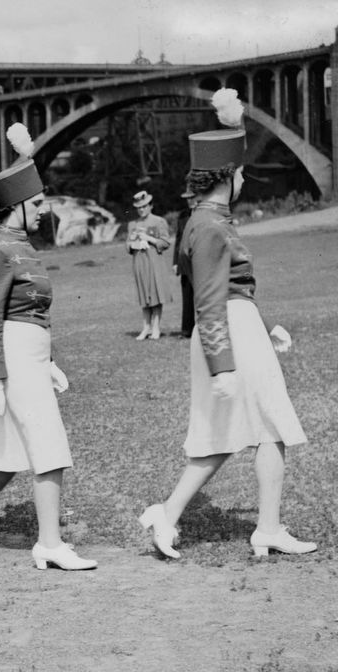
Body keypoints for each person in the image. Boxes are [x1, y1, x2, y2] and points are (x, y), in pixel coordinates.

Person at [139, 89, 313, 559]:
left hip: (237, 328)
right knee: (271, 426)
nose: (242, 181)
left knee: (228, 437)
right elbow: (213, 301)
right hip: (229, 331)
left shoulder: (200, 220)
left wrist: (263, 324)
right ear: (228, 177)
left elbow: (221, 291)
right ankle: (268, 528)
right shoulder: (213, 226)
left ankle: (170, 514)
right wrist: (224, 364)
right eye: (239, 173)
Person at [0, 124, 96, 570]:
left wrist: (48, 361)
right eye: (37, 203)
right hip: (10, 358)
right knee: (49, 446)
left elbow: (34, 312)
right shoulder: (0, 251)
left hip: (30, 356)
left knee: (8, 454)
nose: (44, 209)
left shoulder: (24, 246)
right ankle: (49, 543)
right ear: (16, 207)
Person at [127, 190, 175, 340]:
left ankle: (156, 327)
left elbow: (166, 242)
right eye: (139, 207)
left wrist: (149, 239)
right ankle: (146, 327)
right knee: (143, 294)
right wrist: (132, 242)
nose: (141, 209)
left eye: (144, 206)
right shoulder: (132, 224)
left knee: (155, 294)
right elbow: (128, 246)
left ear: (151, 206)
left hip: (154, 262)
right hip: (139, 262)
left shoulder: (158, 221)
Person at [172, 189, 200, 338]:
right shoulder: (182, 216)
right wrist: (175, 261)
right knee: (187, 296)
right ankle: (187, 330)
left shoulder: (204, 213)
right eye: (187, 198)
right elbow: (178, 240)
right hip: (185, 261)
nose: (189, 200)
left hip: (201, 260)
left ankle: (205, 328)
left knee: (203, 295)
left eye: (192, 197)